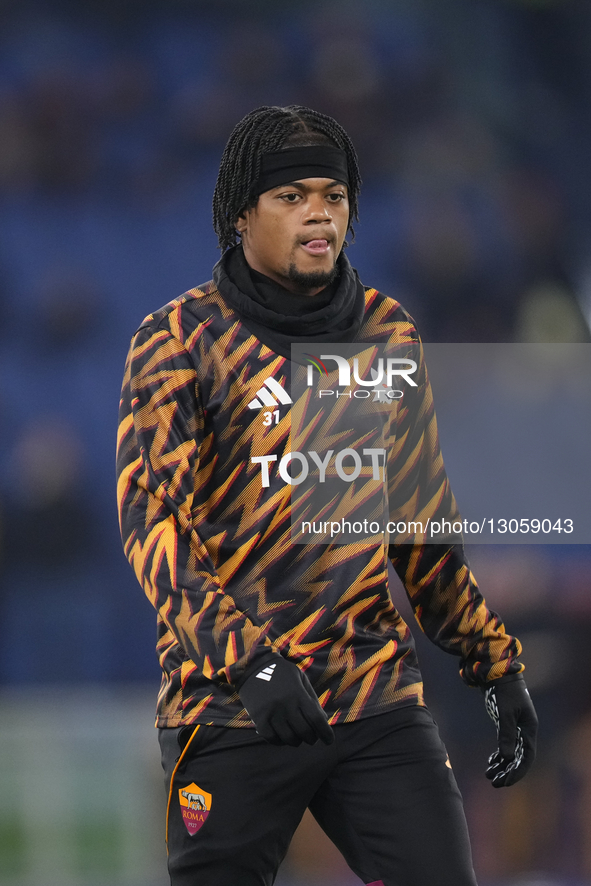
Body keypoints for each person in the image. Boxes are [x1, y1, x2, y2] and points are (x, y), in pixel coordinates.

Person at [116, 105, 538, 886]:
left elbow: (418, 526)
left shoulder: (385, 333)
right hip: (233, 708)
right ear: (241, 215)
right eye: (291, 196)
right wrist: (250, 665)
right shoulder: (176, 341)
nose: (318, 211)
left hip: (374, 696)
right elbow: (154, 528)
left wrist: (492, 663)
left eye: (333, 194)